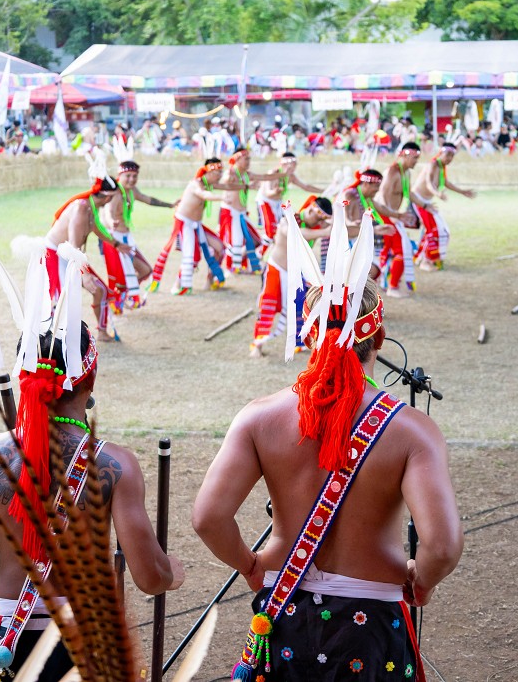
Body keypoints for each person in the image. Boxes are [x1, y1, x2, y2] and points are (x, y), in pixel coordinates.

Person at [193, 275, 463, 681]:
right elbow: (441, 547)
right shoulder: (412, 431)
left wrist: (249, 566)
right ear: (380, 337)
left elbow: (208, 518)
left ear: (308, 334)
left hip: (284, 615)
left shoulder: (259, 417)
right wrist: (421, 583)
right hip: (371, 622)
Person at [0, 323, 185, 682]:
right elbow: (149, 577)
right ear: (90, 379)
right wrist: (171, 573)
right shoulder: (117, 465)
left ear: (25, 379)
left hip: (9, 645)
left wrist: (2, 502)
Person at [44, 164, 125, 340]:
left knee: (100, 291)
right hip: (57, 255)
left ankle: (102, 332)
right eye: (113, 197)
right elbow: (73, 246)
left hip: (71, 256)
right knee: (63, 299)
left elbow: (95, 228)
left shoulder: (91, 206)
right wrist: (85, 274)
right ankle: (53, 340)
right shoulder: (81, 207)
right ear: (106, 196)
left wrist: (117, 244)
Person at [249, 196, 333, 358]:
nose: (319, 222)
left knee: (301, 307)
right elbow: (295, 233)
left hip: (297, 273)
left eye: (322, 220)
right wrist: (325, 232)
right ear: (309, 210)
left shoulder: (316, 226)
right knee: (268, 306)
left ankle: (300, 342)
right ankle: (257, 344)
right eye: (318, 217)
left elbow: (338, 228)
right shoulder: (288, 219)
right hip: (276, 269)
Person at [99, 158, 178, 311]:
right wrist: (111, 222)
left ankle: (123, 297)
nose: (132, 179)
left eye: (134, 176)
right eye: (128, 176)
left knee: (146, 270)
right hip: (113, 239)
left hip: (126, 238)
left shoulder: (132, 191)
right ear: (119, 175)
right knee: (120, 276)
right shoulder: (115, 192)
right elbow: (107, 212)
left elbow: (149, 200)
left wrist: (170, 205)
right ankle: (117, 300)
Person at [149, 158, 229, 295]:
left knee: (219, 247)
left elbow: (228, 187)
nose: (220, 176)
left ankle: (210, 279)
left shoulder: (208, 184)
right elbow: (203, 194)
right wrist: (221, 198)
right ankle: (178, 284)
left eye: (222, 172)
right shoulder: (195, 184)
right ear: (208, 172)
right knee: (192, 257)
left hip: (197, 225)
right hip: (184, 223)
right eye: (218, 173)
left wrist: (247, 186)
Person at [411, 142, 476, 271]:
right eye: (448, 155)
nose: (450, 159)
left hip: (427, 203)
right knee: (434, 230)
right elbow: (429, 182)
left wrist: (462, 192)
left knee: (437, 230)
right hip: (419, 201)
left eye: (452, 156)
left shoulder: (441, 166)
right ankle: (426, 261)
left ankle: (422, 257)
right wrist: (437, 193)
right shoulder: (433, 164)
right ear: (441, 153)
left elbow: (445, 182)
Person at [220, 148, 283, 274]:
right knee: (236, 241)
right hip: (230, 212)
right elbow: (225, 182)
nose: (249, 161)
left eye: (249, 158)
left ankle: (240, 265)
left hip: (242, 213)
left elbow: (265, 177)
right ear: (237, 159)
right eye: (246, 159)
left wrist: (283, 174)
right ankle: (231, 268)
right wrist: (239, 183)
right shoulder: (231, 173)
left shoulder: (247, 175)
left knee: (255, 240)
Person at [377, 142, 423, 297]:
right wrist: (392, 216)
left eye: (418, 158)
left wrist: (425, 205)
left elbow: (408, 193)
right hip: (385, 215)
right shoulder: (392, 172)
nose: (416, 161)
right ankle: (392, 286)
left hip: (392, 215)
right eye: (414, 157)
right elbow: (383, 195)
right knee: (403, 250)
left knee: (389, 249)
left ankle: (384, 281)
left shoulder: (406, 173)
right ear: (405, 154)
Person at [254, 152, 322, 241]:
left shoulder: (291, 176)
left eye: (295, 164)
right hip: (265, 202)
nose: (294, 166)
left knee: (286, 224)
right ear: (284, 164)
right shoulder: (274, 173)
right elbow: (267, 193)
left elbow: (306, 187)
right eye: (292, 164)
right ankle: (259, 251)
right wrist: (275, 191)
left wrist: (323, 191)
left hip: (278, 203)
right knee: (271, 232)